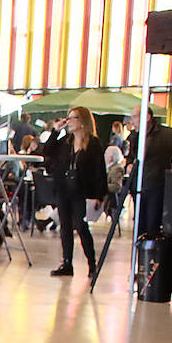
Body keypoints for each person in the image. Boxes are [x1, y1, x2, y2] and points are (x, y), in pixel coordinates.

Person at [45, 106, 106, 279]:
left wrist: (98, 195)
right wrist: (55, 131)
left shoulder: (93, 143)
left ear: (82, 121)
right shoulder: (66, 142)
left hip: (82, 191)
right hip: (64, 189)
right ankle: (67, 263)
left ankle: (92, 263)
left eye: (73, 118)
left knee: (81, 226)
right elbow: (47, 151)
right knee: (65, 226)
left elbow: (99, 170)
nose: (69, 121)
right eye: (68, 117)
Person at [130, 108, 172, 237]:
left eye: (134, 117)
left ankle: (152, 254)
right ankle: (141, 253)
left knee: (152, 224)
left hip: (157, 185)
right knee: (139, 224)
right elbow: (130, 157)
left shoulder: (166, 135)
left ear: (147, 117)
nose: (132, 122)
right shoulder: (134, 136)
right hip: (138, 186)